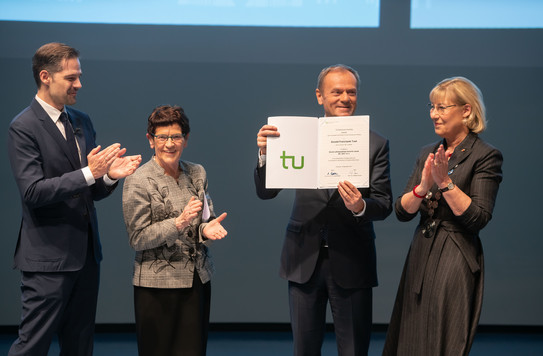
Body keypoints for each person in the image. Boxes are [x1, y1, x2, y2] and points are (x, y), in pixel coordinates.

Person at [7, 42, 141, 356]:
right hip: (47, 261)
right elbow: (33, 192)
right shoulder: (23, 127)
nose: (78, 84)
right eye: (71, 78)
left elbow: (90, 190)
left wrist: (108, 177)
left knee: (80, 346)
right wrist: (89, 173)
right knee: (32, 345)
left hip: (86, 257)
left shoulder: (82, 121)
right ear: (45, 77)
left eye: (78, 76)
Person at [254, 64, 393, 356]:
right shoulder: (295, 136)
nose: (345, 98)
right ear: (320, 96)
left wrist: (360, 206)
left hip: (353, 260)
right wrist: (266, 155)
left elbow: (383, 204)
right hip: (303, 257)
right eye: (337, 91)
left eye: (351, 92)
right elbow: (266, 193)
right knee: (304, 349)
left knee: (354, 350)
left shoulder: (375, 143)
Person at [382, 77, 503, 356]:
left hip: (456, 253)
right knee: (410, 333)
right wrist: (423, 186)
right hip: (422, 252)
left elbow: (478, 218)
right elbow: (402, 212)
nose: (433, 114)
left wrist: (446, 184)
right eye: (432, 107)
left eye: (442, 107)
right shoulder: (428, 152)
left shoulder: (485, 156)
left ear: (466, 111)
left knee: (444, 335)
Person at [122, 105, 228, 356]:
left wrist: (205, 231)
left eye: (176, 137)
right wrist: (178, 223)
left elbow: (203, 219)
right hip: (157, 287)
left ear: (186, 140)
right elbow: (137, 238)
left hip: (196, 281)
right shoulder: (138, 179)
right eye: (162, 137)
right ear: (151, 140)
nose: (169, 144)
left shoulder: (197, 173)